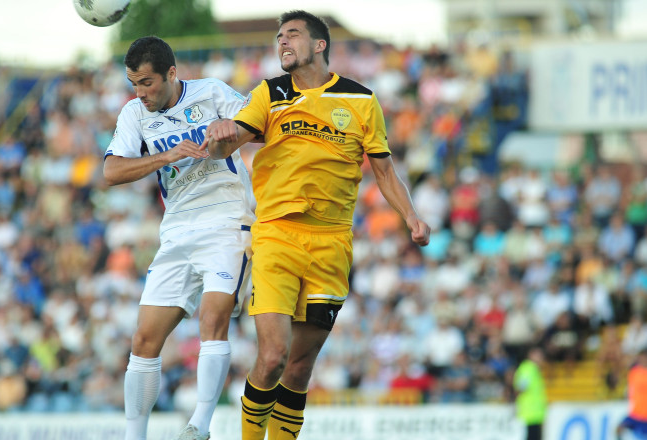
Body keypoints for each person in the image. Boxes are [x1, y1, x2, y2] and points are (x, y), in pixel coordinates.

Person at [203, 10, 430, 440]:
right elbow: (233, 140)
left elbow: (384, 171)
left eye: (291, 35)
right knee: (272, 356)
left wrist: (411, 216)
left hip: (331, 243)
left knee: (300, 367)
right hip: (277, 235)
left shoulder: (361, 100)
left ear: (319, 44)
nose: (282, 42)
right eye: (278, 37)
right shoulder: (269, 94)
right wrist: (219, 138)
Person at [103, 36, 256, 440]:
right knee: (143, 338)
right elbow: (111, 172)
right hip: (176, 231)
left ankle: (199, 426)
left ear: (172, 74)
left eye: (148, 83)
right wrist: (164, 157)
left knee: (212, 319)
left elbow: (260, 125)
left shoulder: (212, 92)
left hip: (227, 220)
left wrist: (231, 131)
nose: (141, 93)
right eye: (134, 83)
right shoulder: (134, 113)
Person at [513, 347, 547, 440]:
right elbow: (520, 387)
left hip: (535, 414)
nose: (541, 358)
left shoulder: (534, 369)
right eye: (538, 355)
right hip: (529, 413)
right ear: (531, 355)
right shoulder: (528, 368)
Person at [617, 349, 647, 440]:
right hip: (635, 414)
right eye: (641, 357)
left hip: (645, 415)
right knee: (619, 429)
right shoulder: (634, 372)